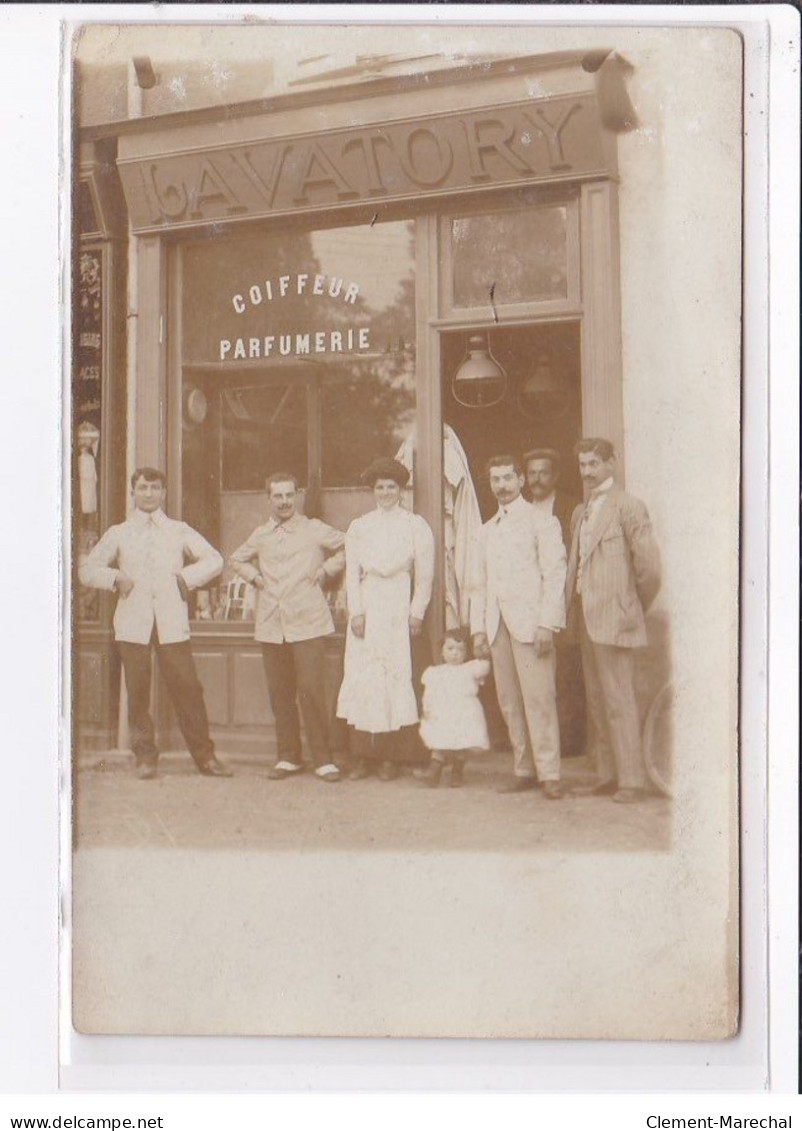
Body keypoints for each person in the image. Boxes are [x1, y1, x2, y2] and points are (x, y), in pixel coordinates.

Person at [78, 467, 230, 780]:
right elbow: (86, 569)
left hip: (171, 621)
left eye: (155, 488)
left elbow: (214, 560)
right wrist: (115, 577)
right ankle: (145, 757)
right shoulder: (119, 532)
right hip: (133, 622)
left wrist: (185, 579)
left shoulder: (178, 529)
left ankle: (205, 757)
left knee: (188, 688)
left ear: (163, 493)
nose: (149, 493)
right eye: (143, 487)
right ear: (133, 492)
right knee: (137, 692)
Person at [229, 472, 346, 782]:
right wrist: (255, 578)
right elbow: (236, 559)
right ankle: (288, 756)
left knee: (310, 690)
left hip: (307, 621)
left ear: (298, 495)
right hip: (271, 624)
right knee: (280, 693)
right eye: (277, 496)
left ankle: (323, 759)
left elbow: (349, 547)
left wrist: (325, 569)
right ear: (268, 498)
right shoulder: (261, 534)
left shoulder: (313, 529)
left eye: (289, 495)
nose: (283, 502)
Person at [566, 438, 662, 804]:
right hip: (586, 620)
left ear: (611, 463)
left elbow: (649, 570)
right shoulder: (581, 511)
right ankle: (607, 775)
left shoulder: (629, 507)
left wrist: (631, 608)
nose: (588, 472)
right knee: (597, 698)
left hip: (616, 619)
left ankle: (632, 781)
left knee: (620, 700)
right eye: (583, 465)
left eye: (594, 464)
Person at [470, 455, 568, 799]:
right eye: (495, 479)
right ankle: (523, 769)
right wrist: (479, 629)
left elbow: (555, 574)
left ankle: (550, 773)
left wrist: (547, 623)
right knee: (509, 701)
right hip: (498, 626)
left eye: (508, 478)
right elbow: (478, 583)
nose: (502, 485)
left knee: (539, 699)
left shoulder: (542, 522)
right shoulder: (486, 530)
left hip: (531, 625)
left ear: (521, 481)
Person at [336, 457, 435, 781]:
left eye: (391, 486)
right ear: (373, 491)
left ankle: (391, 756)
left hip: (396, 605)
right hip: (369, 601)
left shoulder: (415, 525)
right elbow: (352, 573)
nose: (386, 493)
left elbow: (424, 576)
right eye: (380, 487)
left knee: (394, 678)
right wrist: (357, 612)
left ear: (401, 489)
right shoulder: (360, 526)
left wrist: (416, 612)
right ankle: (364, 755)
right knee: (365, 679)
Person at [524, 447, 587, 759]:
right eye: (532, 473)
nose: (537, 479)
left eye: (543, 472)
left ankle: (569, 743)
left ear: (555, 475)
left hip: (562, 599)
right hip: (527, 604)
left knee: (565, 670)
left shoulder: (570, 508)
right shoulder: (519, 510)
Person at [415, 629, 490, 788]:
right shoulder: (435, 672)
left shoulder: (469, 669)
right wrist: (427, 708)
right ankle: (433, 772)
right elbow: (429, 693)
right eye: (450, 649)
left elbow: (484, 666)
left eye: (460, 649)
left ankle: (457, 772)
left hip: (464, 714)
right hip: (444, 714)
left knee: (461, 744)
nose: (455, 653)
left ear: (466, 653)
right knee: (440, 743)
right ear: (441, 651)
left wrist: (482, 653)